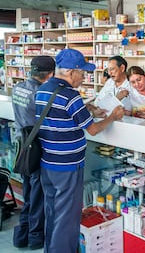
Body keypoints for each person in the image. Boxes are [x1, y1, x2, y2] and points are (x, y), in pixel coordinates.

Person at [35, 49, 124, 253]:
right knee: (67, 216)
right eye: (82, 73)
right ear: (71, 72)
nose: (83, 78)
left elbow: (59, 114)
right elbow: (92, 129)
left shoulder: (43, 89)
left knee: (53, 211)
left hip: (48, 162)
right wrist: (112, 117)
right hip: (68, 165)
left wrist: (88, 109)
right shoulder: (70, 96)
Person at [11, 56, 55, 250]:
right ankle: (35, 238)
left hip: (23, 145)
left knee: (29, 192)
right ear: (51, 74)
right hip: (37, 148)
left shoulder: (18, 87)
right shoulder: (41, 93)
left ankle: (21, 236)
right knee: (37, 196)